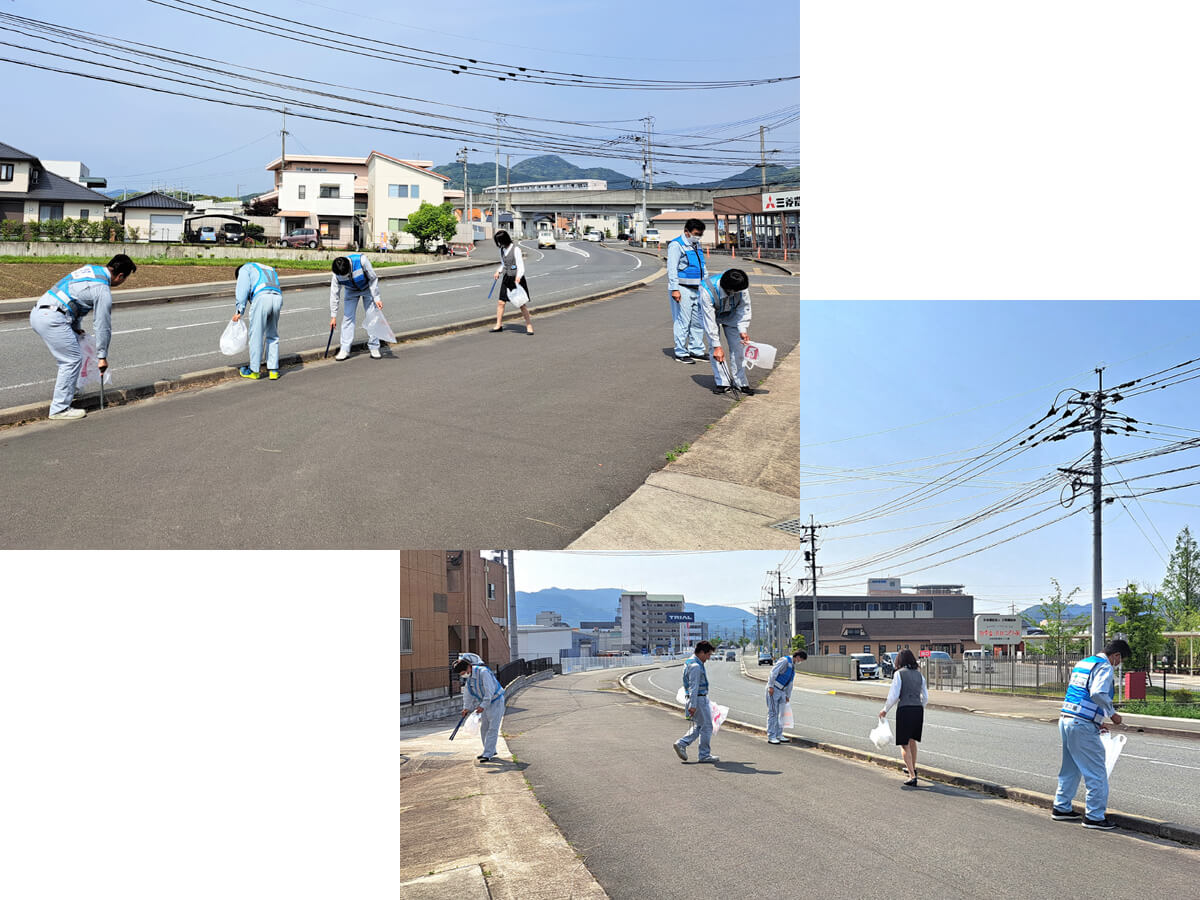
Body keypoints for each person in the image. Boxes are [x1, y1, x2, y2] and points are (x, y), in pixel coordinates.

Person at [30, 254, 136, 420]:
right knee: (70, 360)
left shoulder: (90, 270)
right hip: (53, 318)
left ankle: (72, 389)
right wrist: (102, 357)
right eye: (125, 279)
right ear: (120, 275)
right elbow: (102, 326)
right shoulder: (102, 291)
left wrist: (75, 328)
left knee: (73, 352)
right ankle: (59, 409)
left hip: (40, 311)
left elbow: (72, 297)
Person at [1052, 639, 1131, 830]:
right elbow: (1097, 693)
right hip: (1082, 724)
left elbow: (1080, 693)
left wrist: (1097, 720)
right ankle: (1094, 816)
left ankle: (1061, 807)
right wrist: (1112, 714)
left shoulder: (1084, 663)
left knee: (1070, 768)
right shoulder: (1104, 666)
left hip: (1067, 718)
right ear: (1116, 655)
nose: (1119, 664)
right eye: (1120, 660)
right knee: (1096, 772)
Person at [698, 268, 754, 396]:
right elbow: (709, 320)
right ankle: (722, 382)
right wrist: (717, 345)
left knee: (738, 348)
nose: (741, 292)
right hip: (711, 315)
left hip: (732, 314)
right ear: (729, 290)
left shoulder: (741, 286)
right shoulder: (706, 290)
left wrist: (743, 329)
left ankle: (741, 382)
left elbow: (744, 307)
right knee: (715, 350)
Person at [879, 648, 928, 786]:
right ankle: (913, 768)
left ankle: (912, 776)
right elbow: (926, 697)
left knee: (904, 743)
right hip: (918, 709)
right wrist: (919, 706)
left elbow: (893, 696)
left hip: (905, 709)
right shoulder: (920, 675)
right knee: (913, 740)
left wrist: (885, 710)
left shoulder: (899, 674)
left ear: (899, 661)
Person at [231, 262, 283, 380]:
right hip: (277, 297)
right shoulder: (268, 267)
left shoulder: (245, 269)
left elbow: (242, 290)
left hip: (262, 298)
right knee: (273, 334)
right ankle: (273, 370)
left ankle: (254, 370)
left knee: (256, 335)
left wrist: (239, 311)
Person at [666, 218, 708, 364]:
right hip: (682, 288)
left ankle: (696, 350)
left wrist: (706, 284)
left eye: (700, 234)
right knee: (683, 321)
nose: (698, 236)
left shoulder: (696, 244)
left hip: (698, 288)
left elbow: (702, 265)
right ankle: (680, 352)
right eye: (696, 233)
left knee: (698, 321)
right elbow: (672, 269)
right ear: (687, 232)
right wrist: (675, 289)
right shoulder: (676, 245)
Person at [329, 254, 384, 360]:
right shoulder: (336, 274)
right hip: (350, 291)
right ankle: (345, 349)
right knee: (347, 318)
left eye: (346, 275)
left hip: (367, 288)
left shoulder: (361, 261)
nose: (344, 277)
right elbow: (334, 294)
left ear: (349, 268)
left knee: (372, 316)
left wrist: (377, 298)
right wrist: (333, 316)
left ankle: (374, 346)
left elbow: (373, 278)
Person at [453, 656, 506, 763]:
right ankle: (490, 750)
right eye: (461, 674)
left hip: (496, 701)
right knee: (484, 728)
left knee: (493, 728)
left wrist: (483, 706)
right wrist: (466, 708)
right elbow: (468, 694)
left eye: (463, 672)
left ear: (469, 667)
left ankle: (488, 753)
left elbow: (489, 691)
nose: (463, 675)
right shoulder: (470, 678)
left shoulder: (483, 673)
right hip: (485, 704)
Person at [673, 640, 718, 763]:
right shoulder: (696, 666)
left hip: (696, 699)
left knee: (700, 726)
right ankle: (704, 754)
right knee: (707, 726)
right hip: (698, 699)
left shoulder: (689, 662)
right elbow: (694, 687)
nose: (708, 658)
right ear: (702, 653)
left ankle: (682, 743)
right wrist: (693, 705)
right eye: (708, 654)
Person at [489, 230, 534, 335]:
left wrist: (518, 277)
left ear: (504, 240)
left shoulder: (516, 249)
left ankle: (529, 325)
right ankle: (498, 325)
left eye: (499, 241)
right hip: (506, 278)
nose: (499, 244)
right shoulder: (502, 250)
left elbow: (520, 266)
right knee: (501, 302)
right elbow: (504, 264)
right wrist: (498, 271)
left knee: (521, 304)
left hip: (516, 279)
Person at [766, 650, 807, 744]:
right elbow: (773, 672)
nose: (800, 661)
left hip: (782, 691)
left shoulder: (792, 666)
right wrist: (770, 686)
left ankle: (779, 734)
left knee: (782, 714)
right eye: (801, 659)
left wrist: (788, 695)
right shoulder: (784, 661)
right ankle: (771, 736)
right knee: (773, 713)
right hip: (774, 689)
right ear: (797, 656)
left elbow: (790, 683)